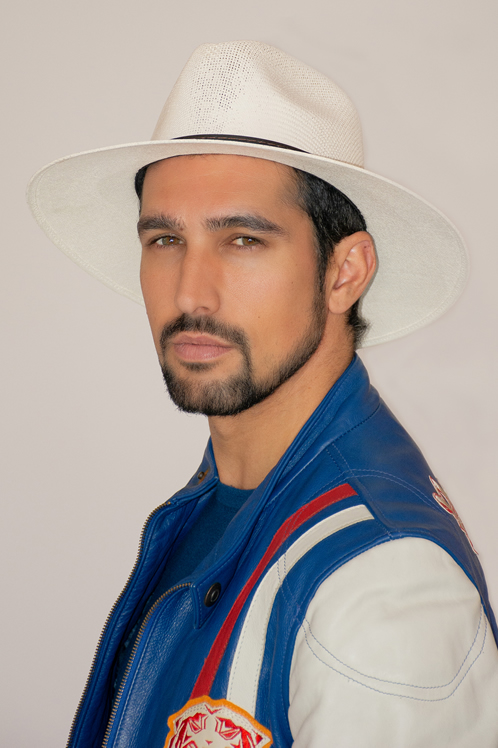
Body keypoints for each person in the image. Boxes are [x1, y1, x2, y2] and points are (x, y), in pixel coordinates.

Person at [28, 41, 498, 748]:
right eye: (165, 240)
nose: (191, 293)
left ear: (345, 272)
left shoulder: (385, 590)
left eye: (243, 240)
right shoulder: (222, 496)